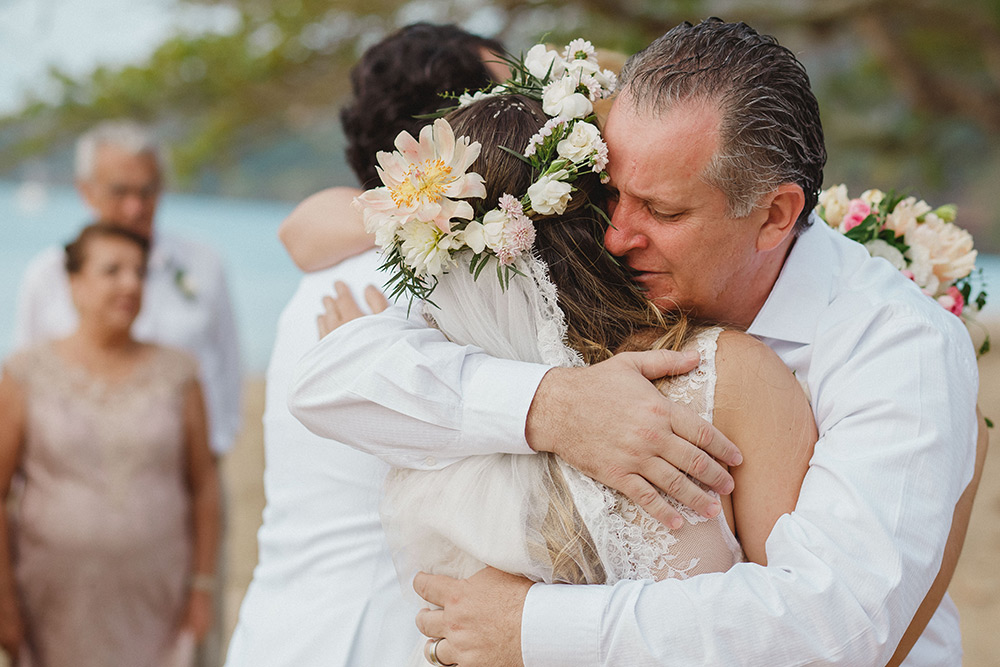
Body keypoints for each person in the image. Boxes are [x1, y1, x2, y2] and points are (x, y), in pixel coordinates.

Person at [290, 19, 983, 666]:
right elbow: (330, 381)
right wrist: (553, 405)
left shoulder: (899, 346)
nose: (616, 235)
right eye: (613, 195)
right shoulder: (603, 286)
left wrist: (531, 627)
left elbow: (835, 621)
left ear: (774, 215)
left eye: (664, 210)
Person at [223, 23, 505, 667]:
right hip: (384, 634)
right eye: (502, 102)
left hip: (279, 630)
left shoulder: (332, 267)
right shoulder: (448, 274)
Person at [0, 223, 220, 666]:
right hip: (51, 602)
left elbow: (205, 485)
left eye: (139, 272)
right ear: (74, 284)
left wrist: (202, 587)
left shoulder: (180, 374)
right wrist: (4, 600)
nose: (131, 284)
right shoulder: (25, 373)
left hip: (158, 602)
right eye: (113, 270)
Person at [14, 120, 242, 460]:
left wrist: (213, 452)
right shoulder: (47, 274)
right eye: (119, 192)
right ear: (86, 191)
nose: (135, 208)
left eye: (146, 192)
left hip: (185, 466)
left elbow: (228, 364)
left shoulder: (204, 264)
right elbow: (23, 385)